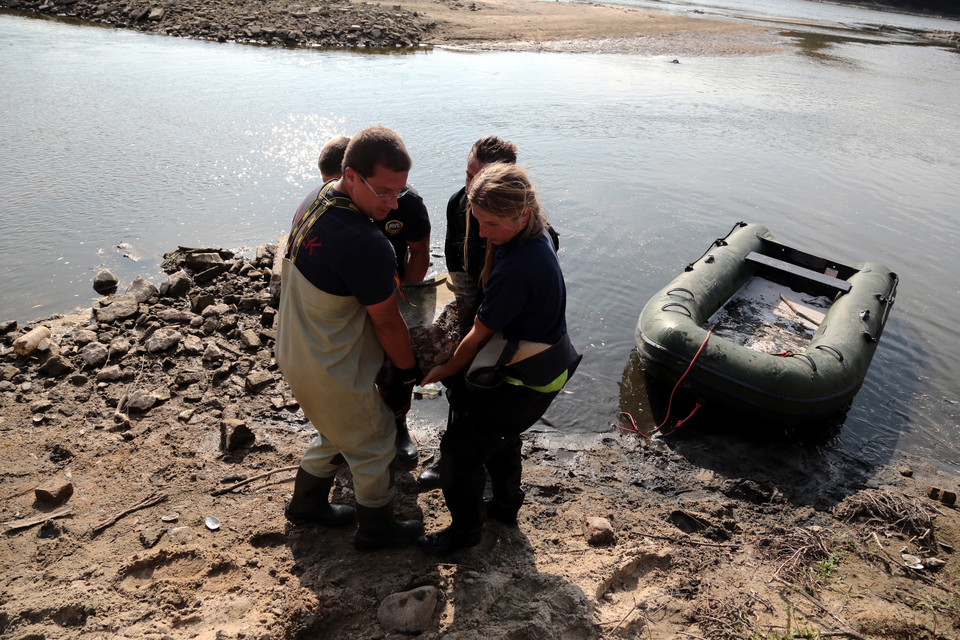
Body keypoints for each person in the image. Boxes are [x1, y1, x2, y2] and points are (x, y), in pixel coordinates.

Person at [416, 163, 581, 555]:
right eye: (478, 222)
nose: (483, 232)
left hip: (532, 378)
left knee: (460, 451)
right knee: (500, 437)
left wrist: (441, 370)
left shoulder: (519, 268)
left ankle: (465, 532)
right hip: (548, 363)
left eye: (490, 224)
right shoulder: (533, 234)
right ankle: (506, 507)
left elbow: (475, 339)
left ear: (521, 214)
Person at [276, 125, 424, 551]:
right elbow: (388, 324)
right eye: (383, 192)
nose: (394, 204)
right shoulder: (366, 243)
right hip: (330, 362)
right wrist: (407, 368)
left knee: (338, 429)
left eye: (400, 192)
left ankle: (306, 505)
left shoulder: (316, 198)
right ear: (353, 175)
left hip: (295, 344)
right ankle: (377, 529)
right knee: (375, 439)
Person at [317, 135, 432, 467]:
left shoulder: (406, 204)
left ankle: (398, 424)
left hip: (390, 290)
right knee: (347, 364)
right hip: (346, 297)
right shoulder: (331, 206)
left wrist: (407, 304)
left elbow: (420, 252)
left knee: (398, 357)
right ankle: (338, 431)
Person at [416, 135, 520, 489]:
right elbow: (456, 265)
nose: (472, 186)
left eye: (482, 178)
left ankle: (494, 462)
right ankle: (451, 455)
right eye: (468, 175)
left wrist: (488, 326)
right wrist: (463, 317)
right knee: (459, 383)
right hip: (474, 305)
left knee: (497, 389)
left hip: (506, 315)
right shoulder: (458, 204)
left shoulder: (520, 220)